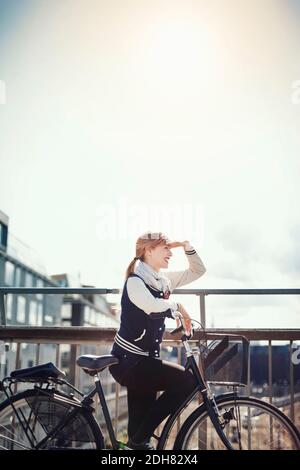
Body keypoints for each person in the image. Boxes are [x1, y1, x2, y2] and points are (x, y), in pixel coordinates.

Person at [109, 231, 206, 450]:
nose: (170, 253)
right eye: (165, 248)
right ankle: (137, 440)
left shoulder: (163, 281)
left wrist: (186, 246)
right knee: (187, 382)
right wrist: (178, 307)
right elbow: (151, 305)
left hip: (145, 362)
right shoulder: (134, 282)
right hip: (129, 363)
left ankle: (137, 441)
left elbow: (198, 271)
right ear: (148, 250)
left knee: (138, 436)